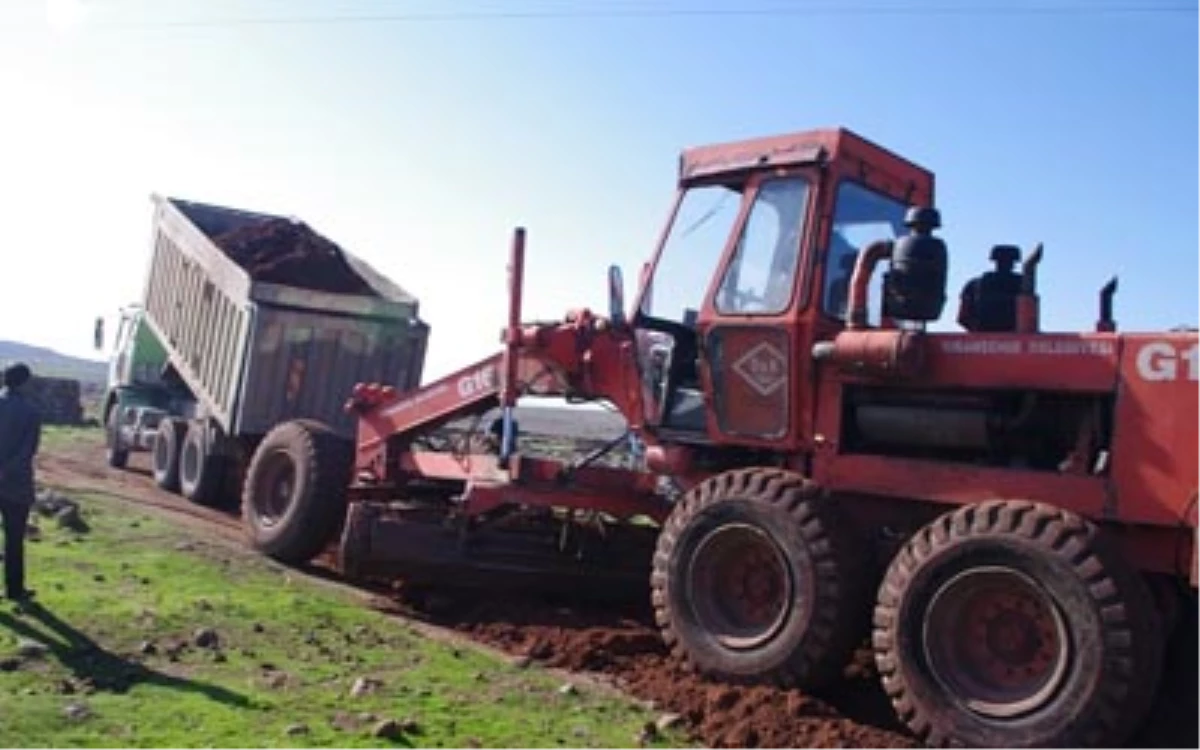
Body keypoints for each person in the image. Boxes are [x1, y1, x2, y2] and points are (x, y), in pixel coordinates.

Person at [0, 363, 43, 603]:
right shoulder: (31, 412)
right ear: (24, 382)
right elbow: (28, 450)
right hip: (15, 483)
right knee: (14, 538)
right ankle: (14, 590)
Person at [956, 244, 1023, 332]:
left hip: (980, 341)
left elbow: (962, 318)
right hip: (1017, 341)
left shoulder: (973, 284)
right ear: (1014, 263)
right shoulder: (1023, 286)